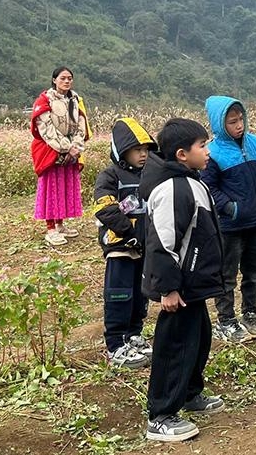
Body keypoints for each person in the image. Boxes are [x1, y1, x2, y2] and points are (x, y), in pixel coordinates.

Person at [141, 118, 227, 443]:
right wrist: (168, 288)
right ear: (181, 154)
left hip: (193, 286)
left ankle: (190, 393)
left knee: (199, 339)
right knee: (175, 346)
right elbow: (162, 243)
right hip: (178, 287)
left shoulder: (192, 180)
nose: (207, 151)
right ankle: (161, 415)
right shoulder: (172, 189)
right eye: (202, 146)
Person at [202, 96, 256, 343]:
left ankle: (251, 314)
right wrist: (230, 208)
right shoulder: (212, 153)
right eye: (232, 122)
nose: (239, 125)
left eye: (240, 119)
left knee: (254, 271)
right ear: (219, 124)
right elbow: (209, 188)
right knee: (227, 274)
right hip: (230, 226)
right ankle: (226, 319)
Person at [93, 117, 159, 370]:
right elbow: (105, 209)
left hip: (145, 247)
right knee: (119, 295)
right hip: (120, 249)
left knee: (141, 294)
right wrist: (128, 232)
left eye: (146, 150)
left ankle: (133, 334)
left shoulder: (152, 175)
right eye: (137, 150)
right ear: (122, 151)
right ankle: (115, 345)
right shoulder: (110, 176)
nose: (143, 155)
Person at [29, 67, 90, 247]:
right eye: (63, 78)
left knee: (64, 185)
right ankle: (50, 229)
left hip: (71, 149)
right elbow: (46, 128)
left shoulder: (75, 99)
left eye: (70, 78)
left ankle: (60, 224)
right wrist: (65, 148)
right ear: (54, 80)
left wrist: (76, 146)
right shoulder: (44, 100)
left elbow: (81, 124)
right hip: (50, 149)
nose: (67, 81)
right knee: (51, 186)